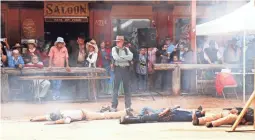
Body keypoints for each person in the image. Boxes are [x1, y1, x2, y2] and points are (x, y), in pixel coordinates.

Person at [30, 108, 132, 125]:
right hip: (84, 114)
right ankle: (107, 109)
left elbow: (65, 121)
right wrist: (34, 118)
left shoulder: (65, 116)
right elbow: (46, 116)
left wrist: (52, 123)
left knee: (105, 115)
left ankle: (124, 112)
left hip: (86, 114)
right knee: (103, 114)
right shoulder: (61, 113)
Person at [111, 36, 133, 112]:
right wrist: (125, 58)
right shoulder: (114, 49)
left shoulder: (127, 49)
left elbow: (131, 57)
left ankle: (128, 107)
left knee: (127, 88)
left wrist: (122, 57)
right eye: (116, 41)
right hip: (118, 69)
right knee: (115, 88)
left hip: (126, 70)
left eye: (118, 41)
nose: (117, 42)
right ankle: (114, 107)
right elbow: (116, 58)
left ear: (122, 41)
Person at [120, 106, 205, 124]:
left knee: (144, 118)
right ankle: (129, 118)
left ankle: (126, 119)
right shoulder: (188, 112)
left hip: (164, 116)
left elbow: (194, 118)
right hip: (164, 113)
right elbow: (174, 108)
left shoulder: (189, 116)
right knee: (144, 115)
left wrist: (164, 111)